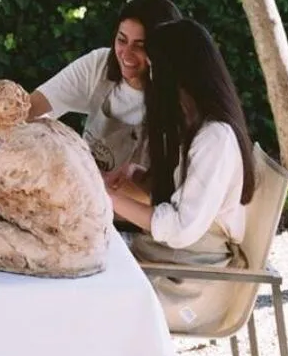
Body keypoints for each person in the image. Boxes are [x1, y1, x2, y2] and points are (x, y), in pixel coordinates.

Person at [108, 19, 256, 333]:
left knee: (88, 293)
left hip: (191, 285)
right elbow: (191, 202)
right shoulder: (198, 127)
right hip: (175, 261)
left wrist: (108, 198)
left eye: (153, 68)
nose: (147, 78)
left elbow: (179, 228)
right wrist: (141, 178)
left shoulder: (215, 138)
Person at [25, 0, 183, 179]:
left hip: (139, 198)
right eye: (122, 40)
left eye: (140, 46)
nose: (126, 54)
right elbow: (30, 109)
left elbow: (178, 189)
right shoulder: (98, 66)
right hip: (79, 190)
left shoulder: (182, 101)